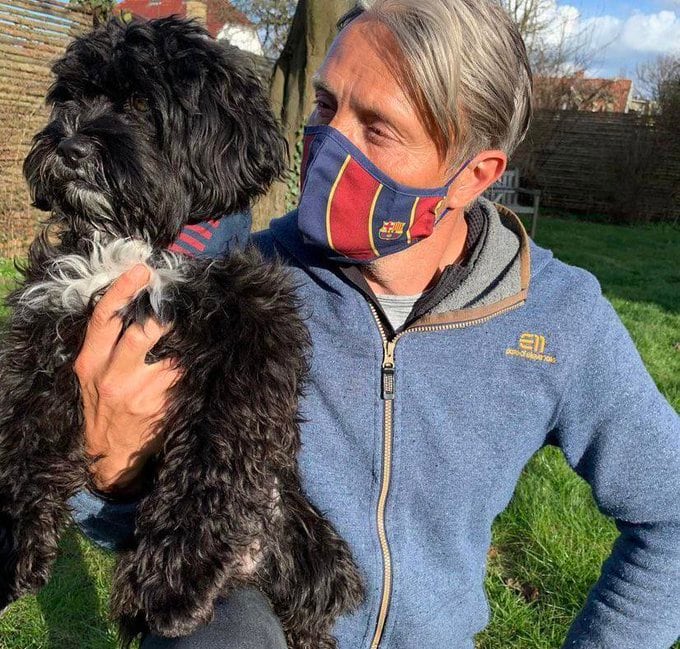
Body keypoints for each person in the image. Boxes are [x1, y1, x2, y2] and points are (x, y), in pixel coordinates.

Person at [67, 1, 680, 648]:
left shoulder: (557, 318)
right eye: (327, 105)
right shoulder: (238, 283)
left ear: (474, 175)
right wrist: (112, 472)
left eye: (378, 127)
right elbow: (118, 512)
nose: (330, 145)